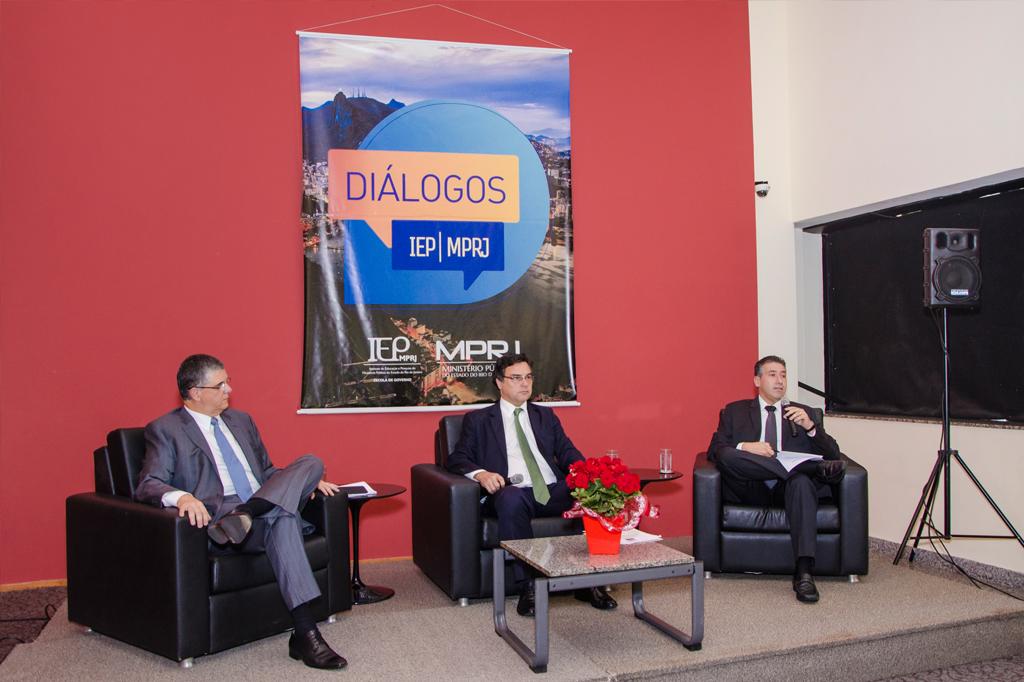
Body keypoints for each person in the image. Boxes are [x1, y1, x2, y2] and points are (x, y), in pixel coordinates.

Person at [135, 354, 347, 669]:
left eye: (228, 382)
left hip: (258, 506)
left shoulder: (241, 421)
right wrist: (182, 498)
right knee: (283, 517)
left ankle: (249, 511)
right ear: (195, 392)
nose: (229, 390)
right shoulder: (166, 430)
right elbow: (148, 483)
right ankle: (305, 632)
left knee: (312, 463)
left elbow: (267, 471)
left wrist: (304, 481)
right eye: (220, 385)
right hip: (224, 523)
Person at [445, 353, 616, 617]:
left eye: (528, 377)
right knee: (511, 498)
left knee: (594, 491)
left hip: (550, 489)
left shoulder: (545, 416)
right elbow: (457, 458)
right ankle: (529, 587)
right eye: (516, 378)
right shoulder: (478, 420)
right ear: (499, 382)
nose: (524, 383)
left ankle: (591, 582)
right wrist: (481, 474)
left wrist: (587, 474)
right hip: (511, 491)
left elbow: (567, 451)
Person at [706, 355, 846, 604]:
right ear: (757, 380)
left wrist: (810, 427)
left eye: (783, 375)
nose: (779, 381)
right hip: (751, 487)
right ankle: (802, 469)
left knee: (801, 483)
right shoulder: (735, 411)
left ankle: (804, 573)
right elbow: (715, 450)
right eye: (772, 375)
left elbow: (834, 454)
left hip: (788, 490)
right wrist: (746, 447)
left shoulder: (803, 413)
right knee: (729, 454)